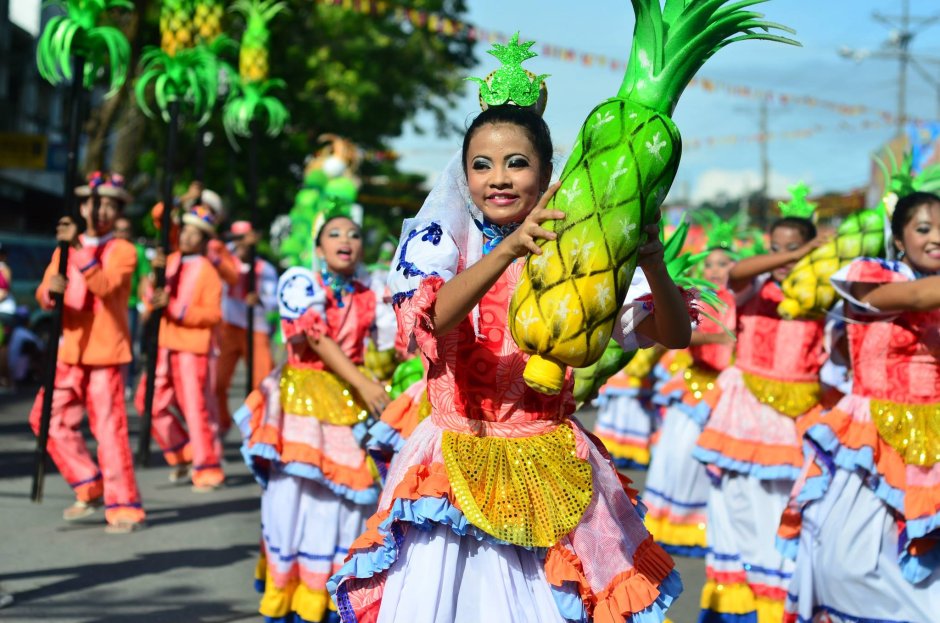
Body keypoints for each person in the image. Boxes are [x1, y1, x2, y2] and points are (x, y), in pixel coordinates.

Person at [328, 71, 694, 619]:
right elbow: (430, 316)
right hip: (452, 458)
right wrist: (506, 253)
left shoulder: (583, 244)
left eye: (517, 163)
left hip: (551, 460)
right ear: (463, 173)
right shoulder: (440, 240)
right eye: (482, 165)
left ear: (547, 173)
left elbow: (673, 334)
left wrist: (652, 264)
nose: (498, 179)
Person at [781, 190, 940, 622]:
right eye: (924, 228)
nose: (936, 238)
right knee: (845, 561)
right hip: (871, 437)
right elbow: (917, 297)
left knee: (926, 562)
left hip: (933, 445)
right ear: (900, 238)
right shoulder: (872, 276)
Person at [234, 214, 392, 623]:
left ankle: (326, 599)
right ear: (318, 248)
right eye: (334, 234)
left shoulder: (371, 294)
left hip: (349, 408)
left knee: (343, 509)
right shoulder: (301, 283)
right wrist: (364, 383)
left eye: (355, 234)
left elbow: (390, 347)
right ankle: (290, 598)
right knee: (292, 502)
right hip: (300, 405)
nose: (346, 240)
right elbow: (317, 340)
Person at [693, 203, 829, 622]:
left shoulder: (823, 296)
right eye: (776, 247)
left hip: (800, 418)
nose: (784, 256)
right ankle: (746, 605)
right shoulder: (755, 288)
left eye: (794, 247)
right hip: (745, 411)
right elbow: (736, 273)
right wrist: (794, 255)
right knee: (740, 508)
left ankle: (784, 601)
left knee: (790, 513)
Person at [28, 172, 145, 534]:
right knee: (45, 418)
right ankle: (88, 483)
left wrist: (76, 254)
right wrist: (52, 290)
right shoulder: (65, 248)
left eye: (110, 204)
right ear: (82, 207)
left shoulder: (122, 250)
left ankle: (123, 505)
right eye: (96, 203)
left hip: (106, 353)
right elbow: (44, 293)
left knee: (109, 430)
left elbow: (107, 287)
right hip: (70, 350)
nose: (102, 210)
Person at [644, 240, 737, 558]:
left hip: (730, 391)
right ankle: (676, 523)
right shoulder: (699, 299)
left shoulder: (739, 300)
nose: (715, 271)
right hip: (695, 386)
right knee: (680, 456)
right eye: (709, 264)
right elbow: (682, 333)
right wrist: (717, 337)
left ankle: (710, 528)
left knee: (716, 465)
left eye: (723, 264)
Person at [135, 206, 224, 491]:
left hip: (192, 349)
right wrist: (152, 289)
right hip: (164, 344)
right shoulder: (169, 261)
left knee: (196, 409)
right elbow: (148, 295)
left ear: (203, 239)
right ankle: (184, 452)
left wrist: (175, 308)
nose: (187, 237)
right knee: (147, 401)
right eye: (184, 230)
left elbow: (212, 315)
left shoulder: (209, 271)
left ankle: (208, 467)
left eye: (194, 233)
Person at [215, 221, 277, 433]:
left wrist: (259, 299)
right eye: (238, 240)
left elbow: (274, 300)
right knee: (217, 381)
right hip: (228, 328)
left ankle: (259, 427)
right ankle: (221, 424)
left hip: (256, 329)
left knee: (263, 382)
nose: (241, 245)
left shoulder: (265, 268)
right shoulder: (226, 263)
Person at [113, 216, 150, 394]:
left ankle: (127, 382)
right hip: (109, 306)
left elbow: (144, 278)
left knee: (128, 345)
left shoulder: (137, 251)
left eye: (125, 230)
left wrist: (144, 304)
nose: (121, 234)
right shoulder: (109, 249)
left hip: (130, 304)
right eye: (118, 230)